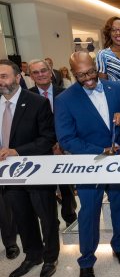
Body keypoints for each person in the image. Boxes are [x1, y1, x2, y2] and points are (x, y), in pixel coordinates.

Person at [55, 52, 120, 277]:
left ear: (95, 67)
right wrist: (101, 150)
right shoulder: (65, 99)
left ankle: (119, 248)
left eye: (90, 72)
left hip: (118, 160)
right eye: (80, 75)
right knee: (88, 213)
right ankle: (86, 261)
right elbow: (67, 139)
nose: (88, 79)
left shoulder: (115, 88)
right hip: (89, 164)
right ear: (72, 72)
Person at [0, 59, 59, 277]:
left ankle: (51, 257)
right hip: (8, 176)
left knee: (46, 216)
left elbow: (47, 138)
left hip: (36, 171)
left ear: (17, 78)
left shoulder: (36, 103)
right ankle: (32, 255)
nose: (1, 81)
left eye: (4, 76)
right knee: (22, 216)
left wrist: (17, 151)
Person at [29, 59, 77, 227]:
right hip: (40, 150)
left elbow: (73, 120)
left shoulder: (66, 94)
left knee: (67, 187)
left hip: (64, 147)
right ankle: (50, 222)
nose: (40, 74)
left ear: (51, 72)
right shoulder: (27, 96)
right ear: (31, 76)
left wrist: (61, 143)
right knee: (45, 189)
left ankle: (70, 217)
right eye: (36, 72)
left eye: (43, 70)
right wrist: (48, 144)